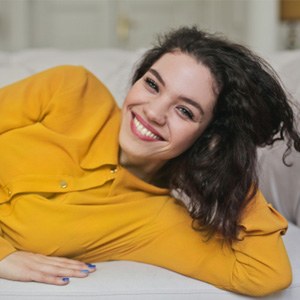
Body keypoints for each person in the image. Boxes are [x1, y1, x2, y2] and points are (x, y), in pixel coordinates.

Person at [0, 26, 299, 296]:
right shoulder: (70, 89)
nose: (154, 112)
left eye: (185, 111)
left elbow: (265, 273)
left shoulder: (154, 221)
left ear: (208, 137)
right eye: (153, 85)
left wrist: (231, 167)